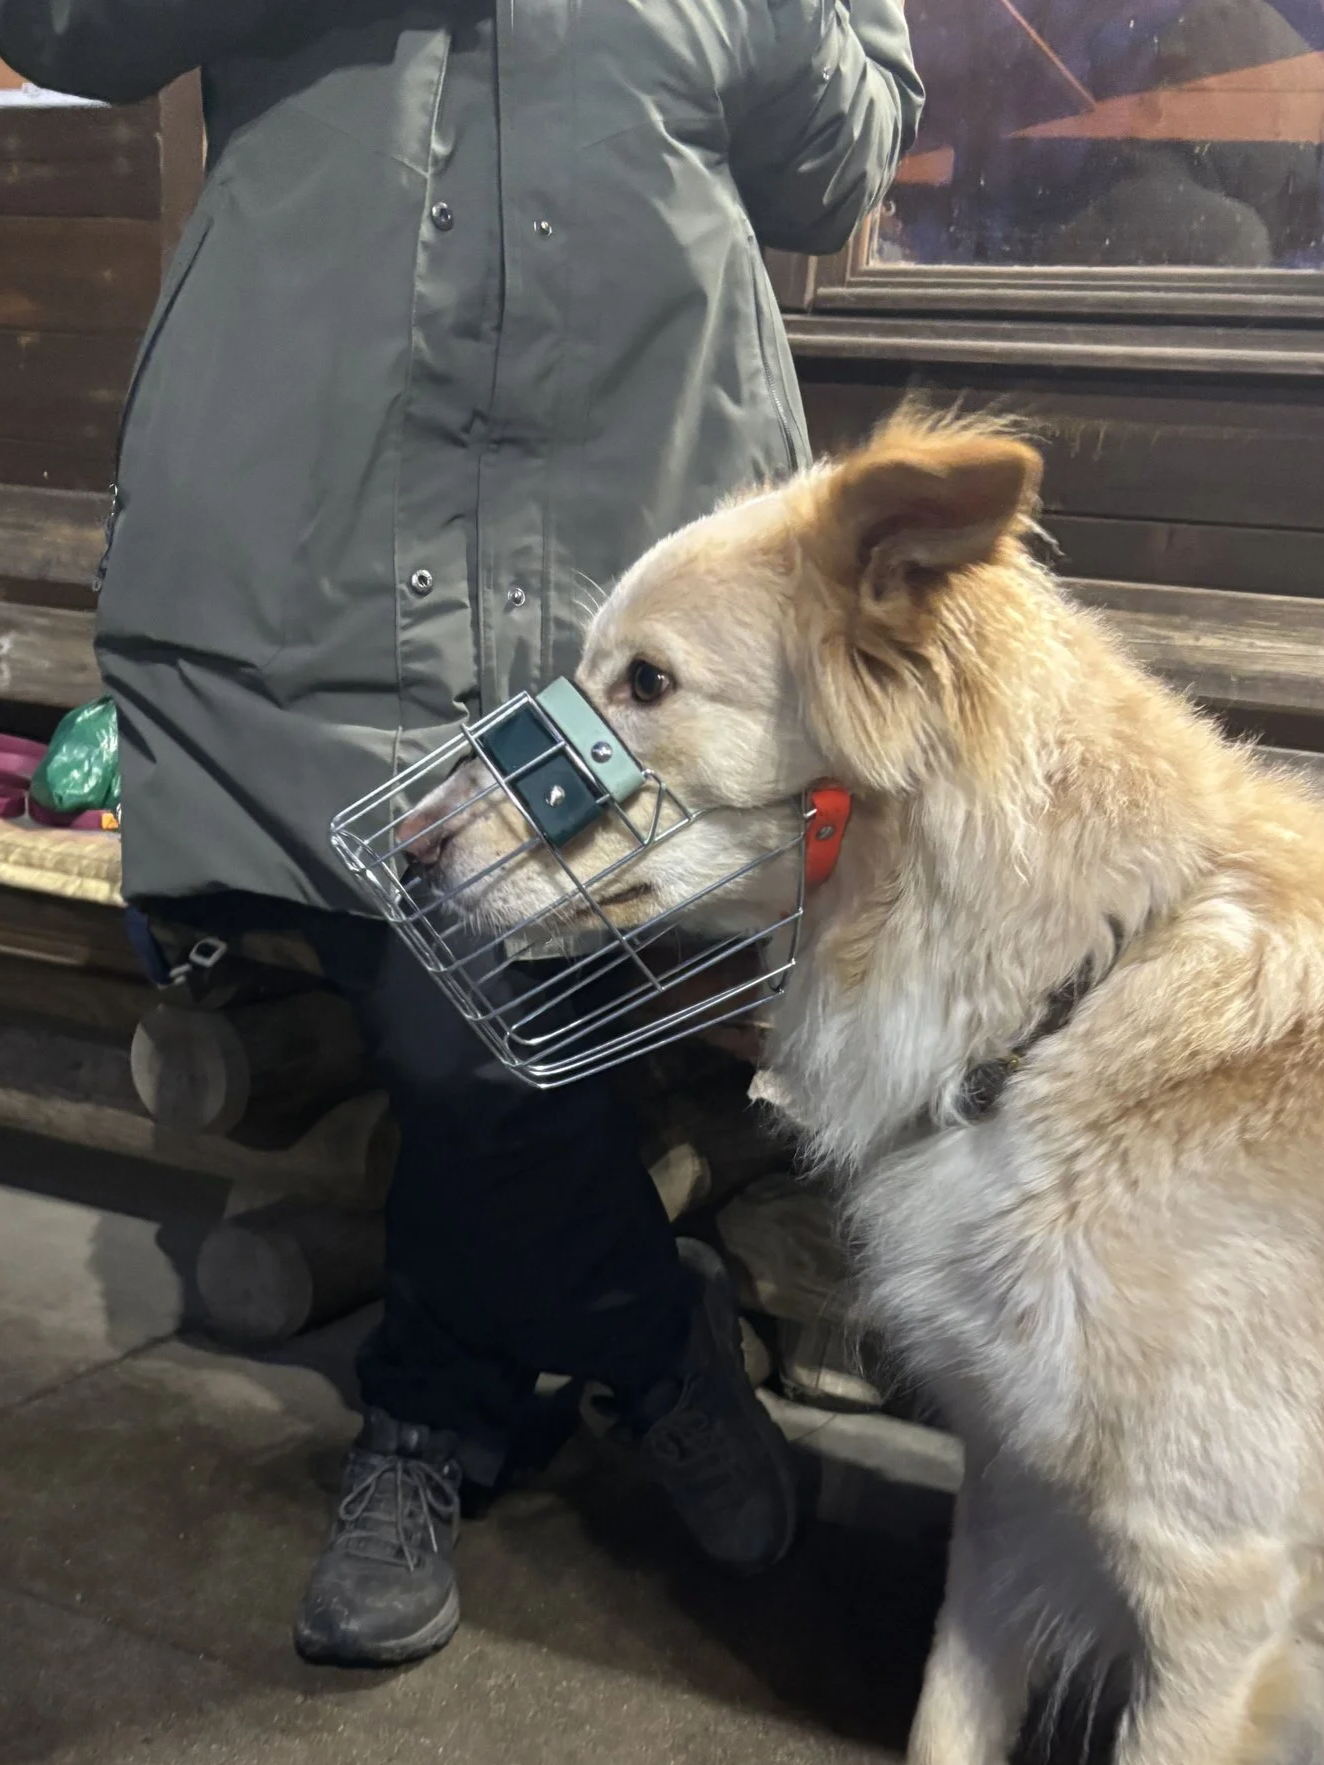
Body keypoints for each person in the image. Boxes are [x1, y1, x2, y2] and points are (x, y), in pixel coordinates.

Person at [0, 0, 921, 1668]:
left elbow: (838, 162)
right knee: (446, 1006)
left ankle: (425, 1418)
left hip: (637, 564)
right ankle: (647, 1336)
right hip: (316, 537)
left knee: (462, 1025)